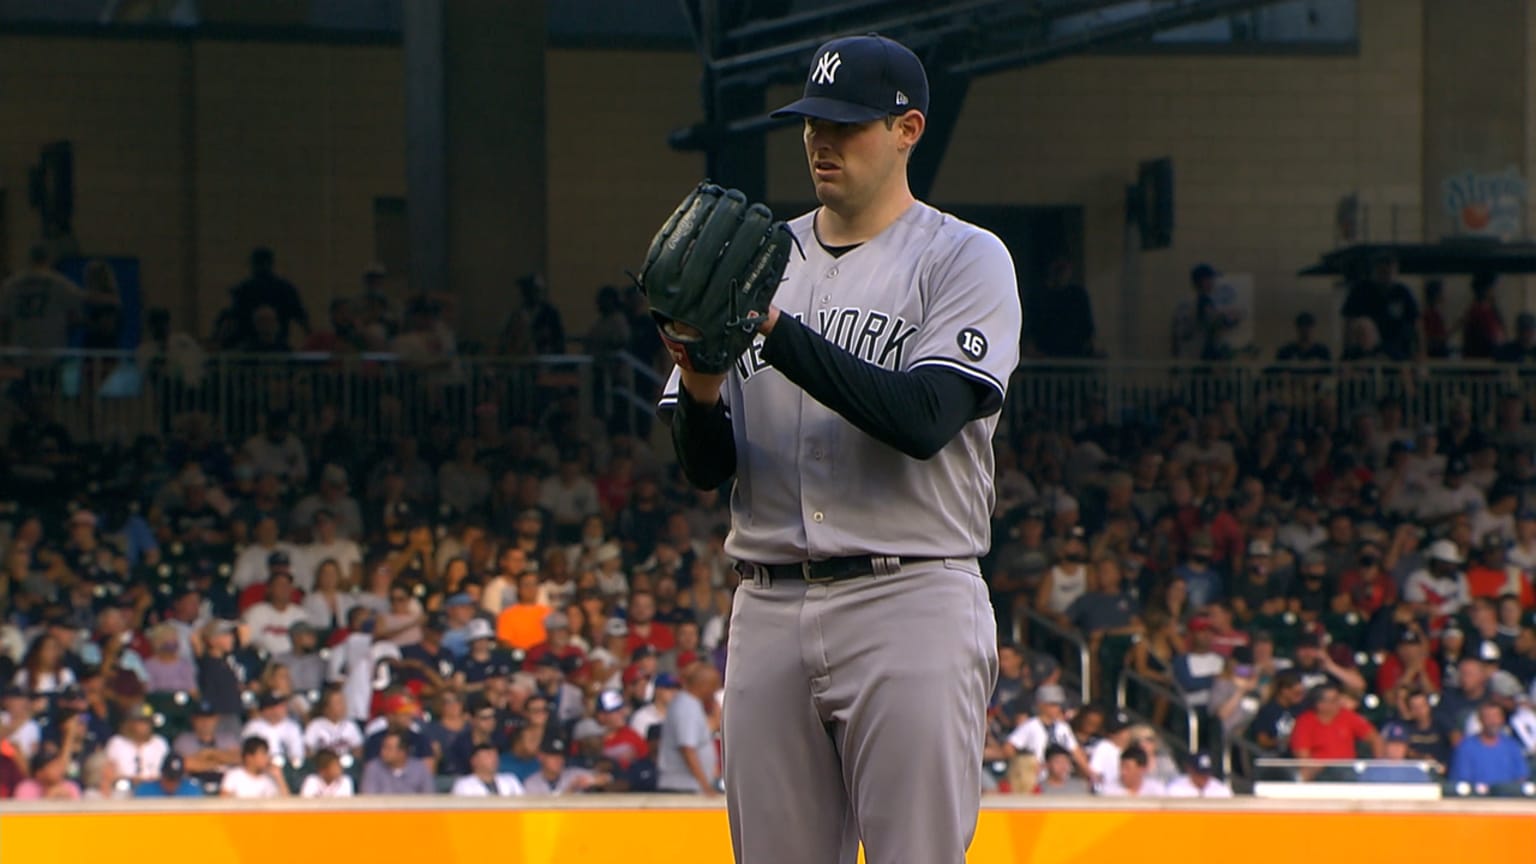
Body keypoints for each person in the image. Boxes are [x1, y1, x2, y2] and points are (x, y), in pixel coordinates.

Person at [656, 32, 1022, 864]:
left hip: (911, 598)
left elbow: (925, 418)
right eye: (812, 122)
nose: (822, 141)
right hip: (769, 603)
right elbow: (706, 467)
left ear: (908, 129)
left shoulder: (963, 257)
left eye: (847, 124)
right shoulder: (752, 256)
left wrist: (772, 330)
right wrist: (703, 378)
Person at [656, 662, 721, 794]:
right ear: (703, 685)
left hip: (690, 786)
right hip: (682, 787)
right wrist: (706, 786)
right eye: (713, 685)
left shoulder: (692, 704)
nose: (715, 690)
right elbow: (687, 749)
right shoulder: (686, 707)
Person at [1448, 701, 1530, 788]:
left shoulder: (1512, 746)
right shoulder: (1465, 747)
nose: (1493, 722)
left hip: (1508, 799)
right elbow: (1461, 781)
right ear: (1480, 720)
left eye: (1496, 717)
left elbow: (1521, 777)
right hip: (1476, 799)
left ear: (1502, 719)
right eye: (1488, 717)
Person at [220, 737, 287, 798]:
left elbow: (286, 804)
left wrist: (279, 778)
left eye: (266, 754)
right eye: (263, 754)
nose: (267, 758)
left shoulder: (269, 778)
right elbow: (224, 801)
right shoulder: (234, 775)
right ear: (249, 757)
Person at [450, 742, 525, 797]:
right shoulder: (463, 784)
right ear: (474, 761)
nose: (493, 759)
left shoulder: (510, 779)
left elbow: (523, 804)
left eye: (495, 756)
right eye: (488, 756)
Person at [1098, 745, 1164, 797]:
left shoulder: (1156, 790)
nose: (1123, 772)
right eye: (1121, 767)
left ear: (1141, 769)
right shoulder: (1109, 791)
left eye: (1127, 768)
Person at [1164, 751, 1234, 797]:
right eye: (1200, 774)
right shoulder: (1175, 788)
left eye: (1206, 774)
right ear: (1190, 770)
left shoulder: (1221, 790)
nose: (1204, 778)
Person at [133, 754, 202, 797]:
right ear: (162, 774)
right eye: (169, 779)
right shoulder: (145, 791)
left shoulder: (192, 791)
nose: (172, 784)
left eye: (176, 780)